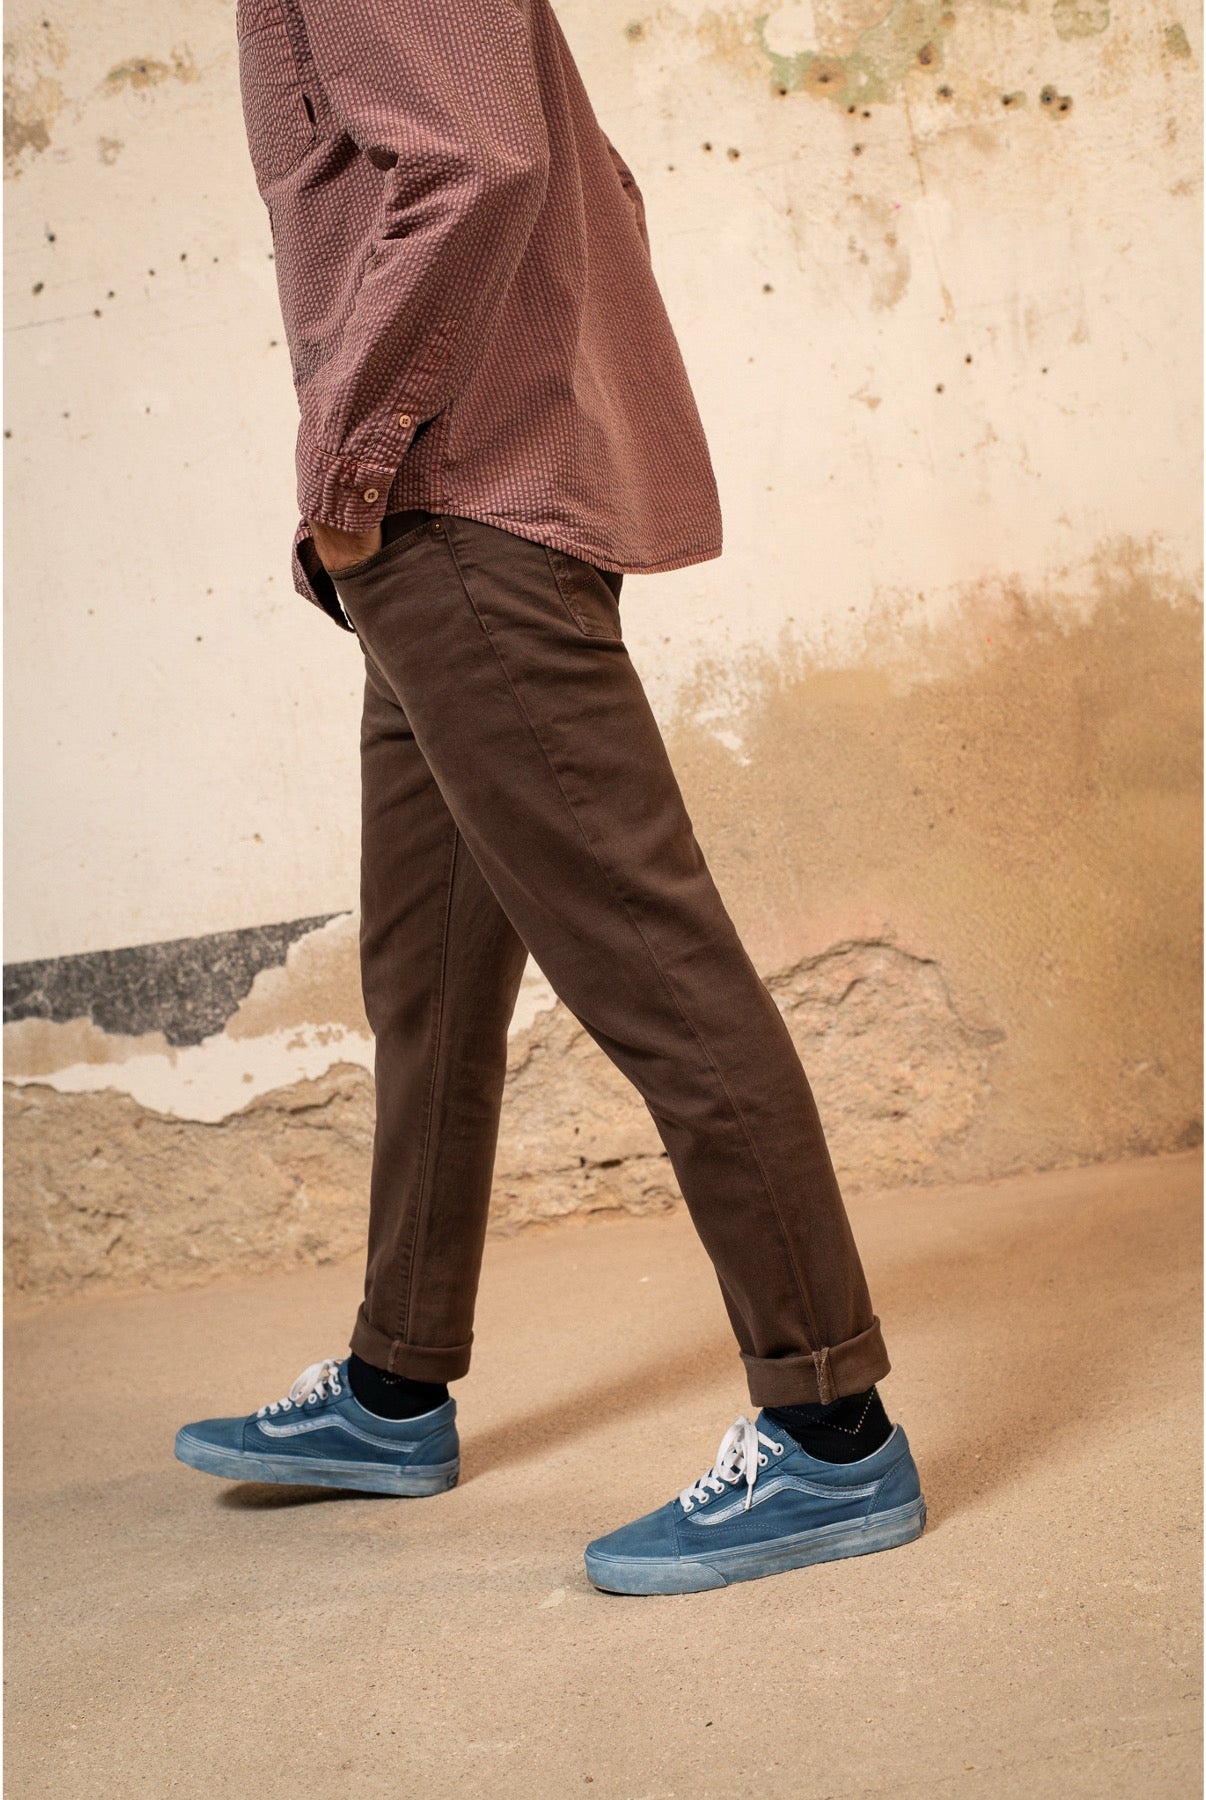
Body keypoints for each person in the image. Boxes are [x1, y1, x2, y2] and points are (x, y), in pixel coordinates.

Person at [174, 0, 925, 1594]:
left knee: (653, 963)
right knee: (429, 982)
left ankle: (829, 1431)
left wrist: (352, 460)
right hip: (439, 518)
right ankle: (394, 1388)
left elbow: (487, 162)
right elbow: (578, 172)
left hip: (452, 514)